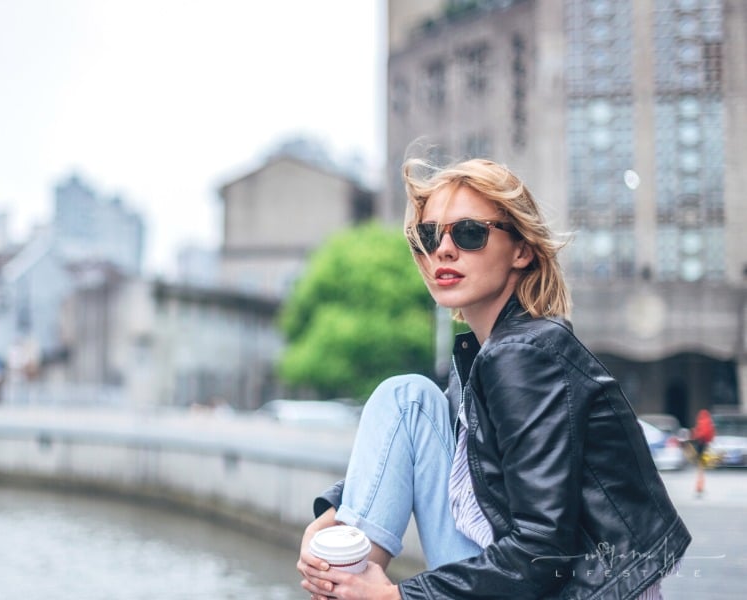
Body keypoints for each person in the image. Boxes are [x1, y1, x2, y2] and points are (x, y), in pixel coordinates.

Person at [296, 157, 691, 599]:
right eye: (429, 236)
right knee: (409, 398)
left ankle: (346, 583)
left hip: (574, 591)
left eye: (469, 234)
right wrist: (333, 514)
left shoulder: (524, 355)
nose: (443, 251)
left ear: (521, 250)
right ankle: (346, 572)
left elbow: (543, 553)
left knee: (405, 397)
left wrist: (399, 597)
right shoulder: (491, 353)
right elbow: (446, 443)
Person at [690, 408, 716, 496]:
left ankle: (699, 485)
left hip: (700, 444)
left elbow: (697, 434)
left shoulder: (701, 422)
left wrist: (694, 435)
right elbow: (712, 434)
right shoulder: (709, 422)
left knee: (700, 466)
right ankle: (700, 485)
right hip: (706, 445)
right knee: (702, 466)